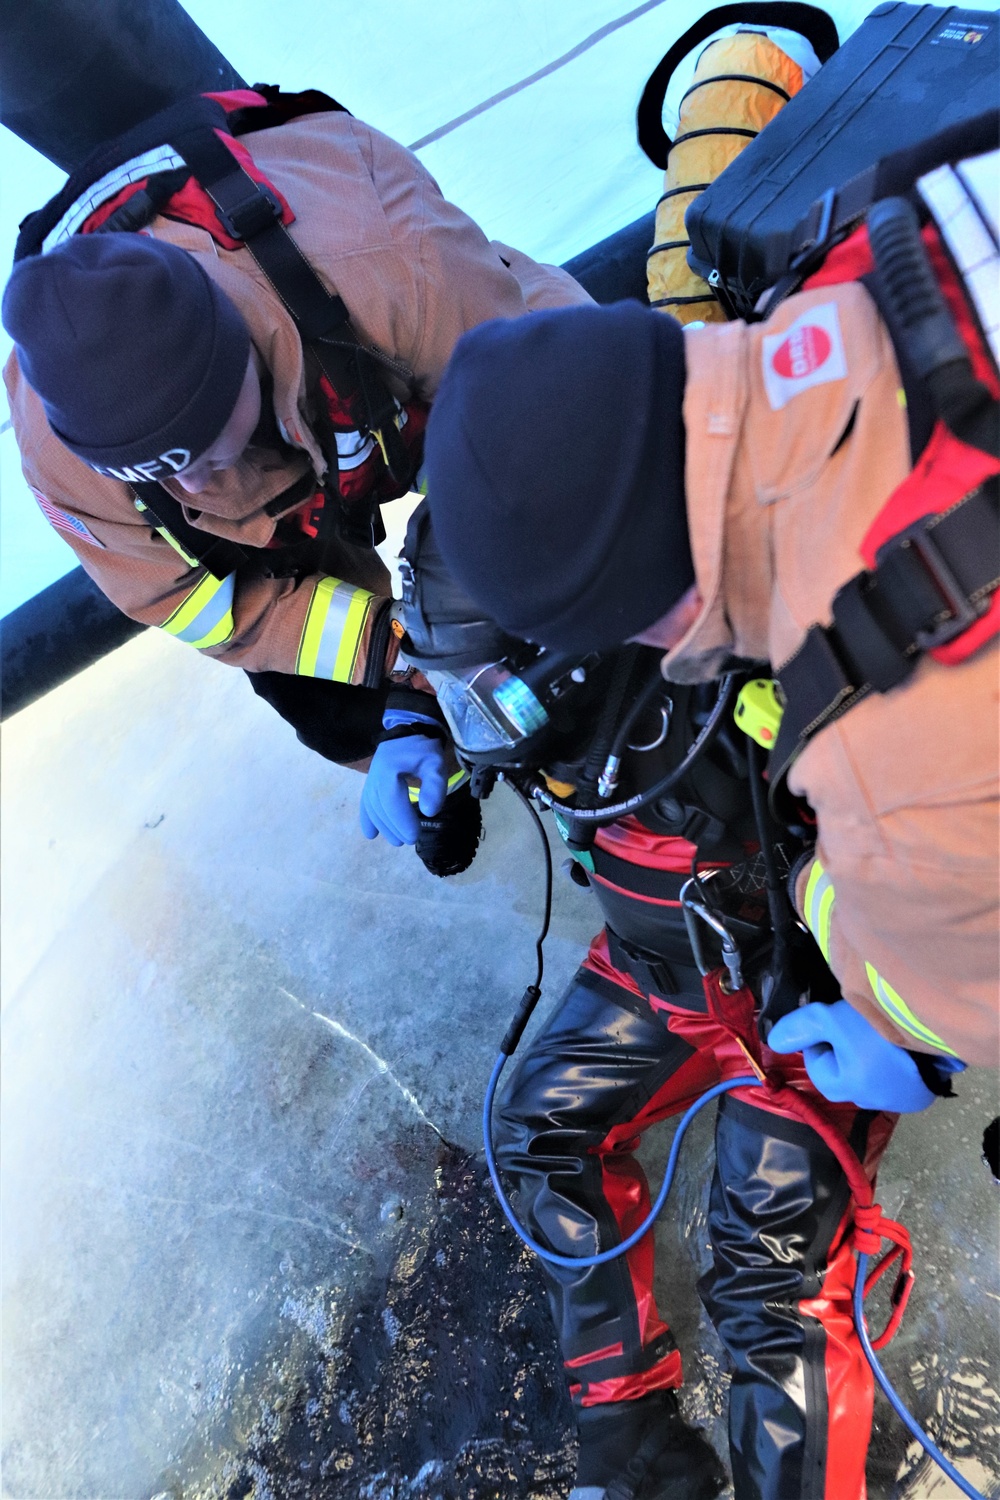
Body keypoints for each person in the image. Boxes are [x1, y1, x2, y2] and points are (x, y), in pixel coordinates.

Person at [404, 136, 998, 1499]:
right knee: (539, 1124)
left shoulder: (855, 711)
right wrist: (401, 726)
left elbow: (958, 946)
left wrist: (888, 1022)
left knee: (767, 1260)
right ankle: (624, 1433)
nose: (475, 722)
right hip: (667, 962)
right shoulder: (837, 300)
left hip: (804, 984)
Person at [1, 86, 590, 835]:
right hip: (289, 509)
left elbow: (539, 399)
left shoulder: (392, 261)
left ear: (239, 356)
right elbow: (212, 609)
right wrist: (411, 688)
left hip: (410, 375)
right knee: (340, 708)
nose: (191, 482)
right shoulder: (65, 464)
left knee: (572, 507)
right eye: (156, 472)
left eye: (203, 441)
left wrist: (487, 602)